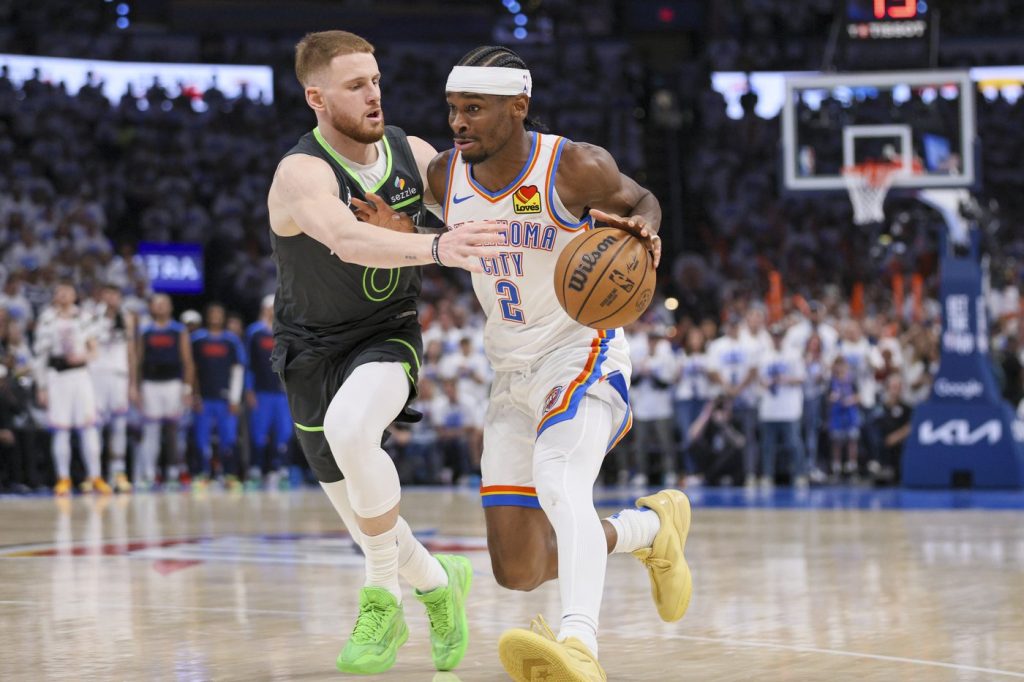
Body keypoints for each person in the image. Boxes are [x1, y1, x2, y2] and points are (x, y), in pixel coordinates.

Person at [357, 45, 691, 682]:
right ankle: (648, 529)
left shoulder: (575, 166)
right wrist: (399, 229)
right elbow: (438, 232)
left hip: (581, 349)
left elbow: (643, 199)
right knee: (519, 568)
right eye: (453, 109)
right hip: (509, 371)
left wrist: (644, 233)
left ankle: (580, 645)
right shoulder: (445, 177)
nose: (458, 123)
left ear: (518, 107)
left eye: (474, 109)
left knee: (559, 481)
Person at [266, 30, 504, 675]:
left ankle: (381, 601)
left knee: (351, 431)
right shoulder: (302, 172)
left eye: (375, 80)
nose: (373, 95)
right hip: (309, 351)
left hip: (386, 334)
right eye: (355, 85)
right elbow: (346, 238)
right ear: (317, 98)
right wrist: (434, 245)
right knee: (371, 523)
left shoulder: (414, 154)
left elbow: (482, 210)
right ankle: (440, 585)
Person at [33, 282, 109, 495]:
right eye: (60, 292)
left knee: (88, 426)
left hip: (80, 376)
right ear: (55, 296)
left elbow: (94, 350)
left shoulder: (84, 317)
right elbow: (41, 355)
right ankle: (63, 477)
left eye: (68, 292)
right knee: (61, 428)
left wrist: (83, 357)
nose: (64, 295)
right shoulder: (47, 319)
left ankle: (95, 476)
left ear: (75, 295)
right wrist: (41, 387)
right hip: (57, 377)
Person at [136, 294, 194, 489]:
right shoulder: (144, 331)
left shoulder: (179, 330)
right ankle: (149, 473)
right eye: (157, 304)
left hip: (173, 384)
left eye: (164, 304)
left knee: (173, 430)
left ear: (170, 307)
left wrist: (187, 388)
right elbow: (138, 361)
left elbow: (187, 361)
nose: (160, 307)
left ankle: (173, 472)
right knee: (150, 430)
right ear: (151, 307)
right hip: (150, 384)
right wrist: (136, 387)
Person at [190, 303, 246, 486]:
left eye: (218, 313)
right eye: (212, 313)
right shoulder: (197, 339)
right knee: (201, 439)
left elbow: (237, 370)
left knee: (229, 438)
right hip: (204, 398)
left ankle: (229, 475)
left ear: (223, 317)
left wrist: (235, 398)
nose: (215, 316)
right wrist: (194, 395)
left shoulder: (231, 341)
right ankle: (202, 475)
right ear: (207, 316)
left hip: (225, 399)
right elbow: (191, 369)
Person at [90, 283, 135, 493]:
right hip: (97, 375)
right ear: (101, 296)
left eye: (115, 295)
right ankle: (95, 475)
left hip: (119, 376)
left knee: (119, 426)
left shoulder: (127, 318)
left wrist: (133, 383)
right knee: (95, 427)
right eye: (107, 294)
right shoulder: (91, 316)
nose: (111, 298)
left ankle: (117, 474)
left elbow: (131, 351)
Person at [245, 295, 293, 489]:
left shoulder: (287, 331)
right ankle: (256, 469)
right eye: (269, 307)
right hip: (261, 392)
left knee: (284, 433)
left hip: (282, 393)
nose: (272, 310)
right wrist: (249, 390)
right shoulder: (254, 332)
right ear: (264, 309)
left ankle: (280, 470)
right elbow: (247, 363)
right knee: (259, 433)